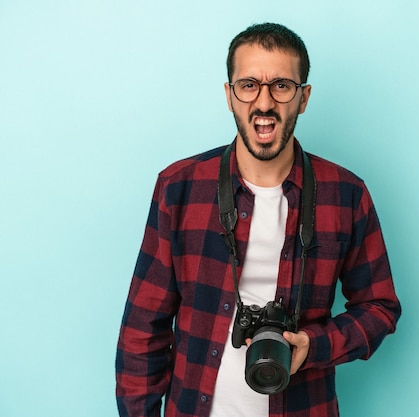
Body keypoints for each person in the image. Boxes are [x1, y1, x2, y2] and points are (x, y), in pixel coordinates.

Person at [115, 22, 401, 417]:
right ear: (229, 96)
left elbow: (380, 307)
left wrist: (314, 345)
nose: (264, 103)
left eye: (281, 86)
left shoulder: (346, 195)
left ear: (303, 98)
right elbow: (143, 329)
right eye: (248, 85)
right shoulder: (179, 188)